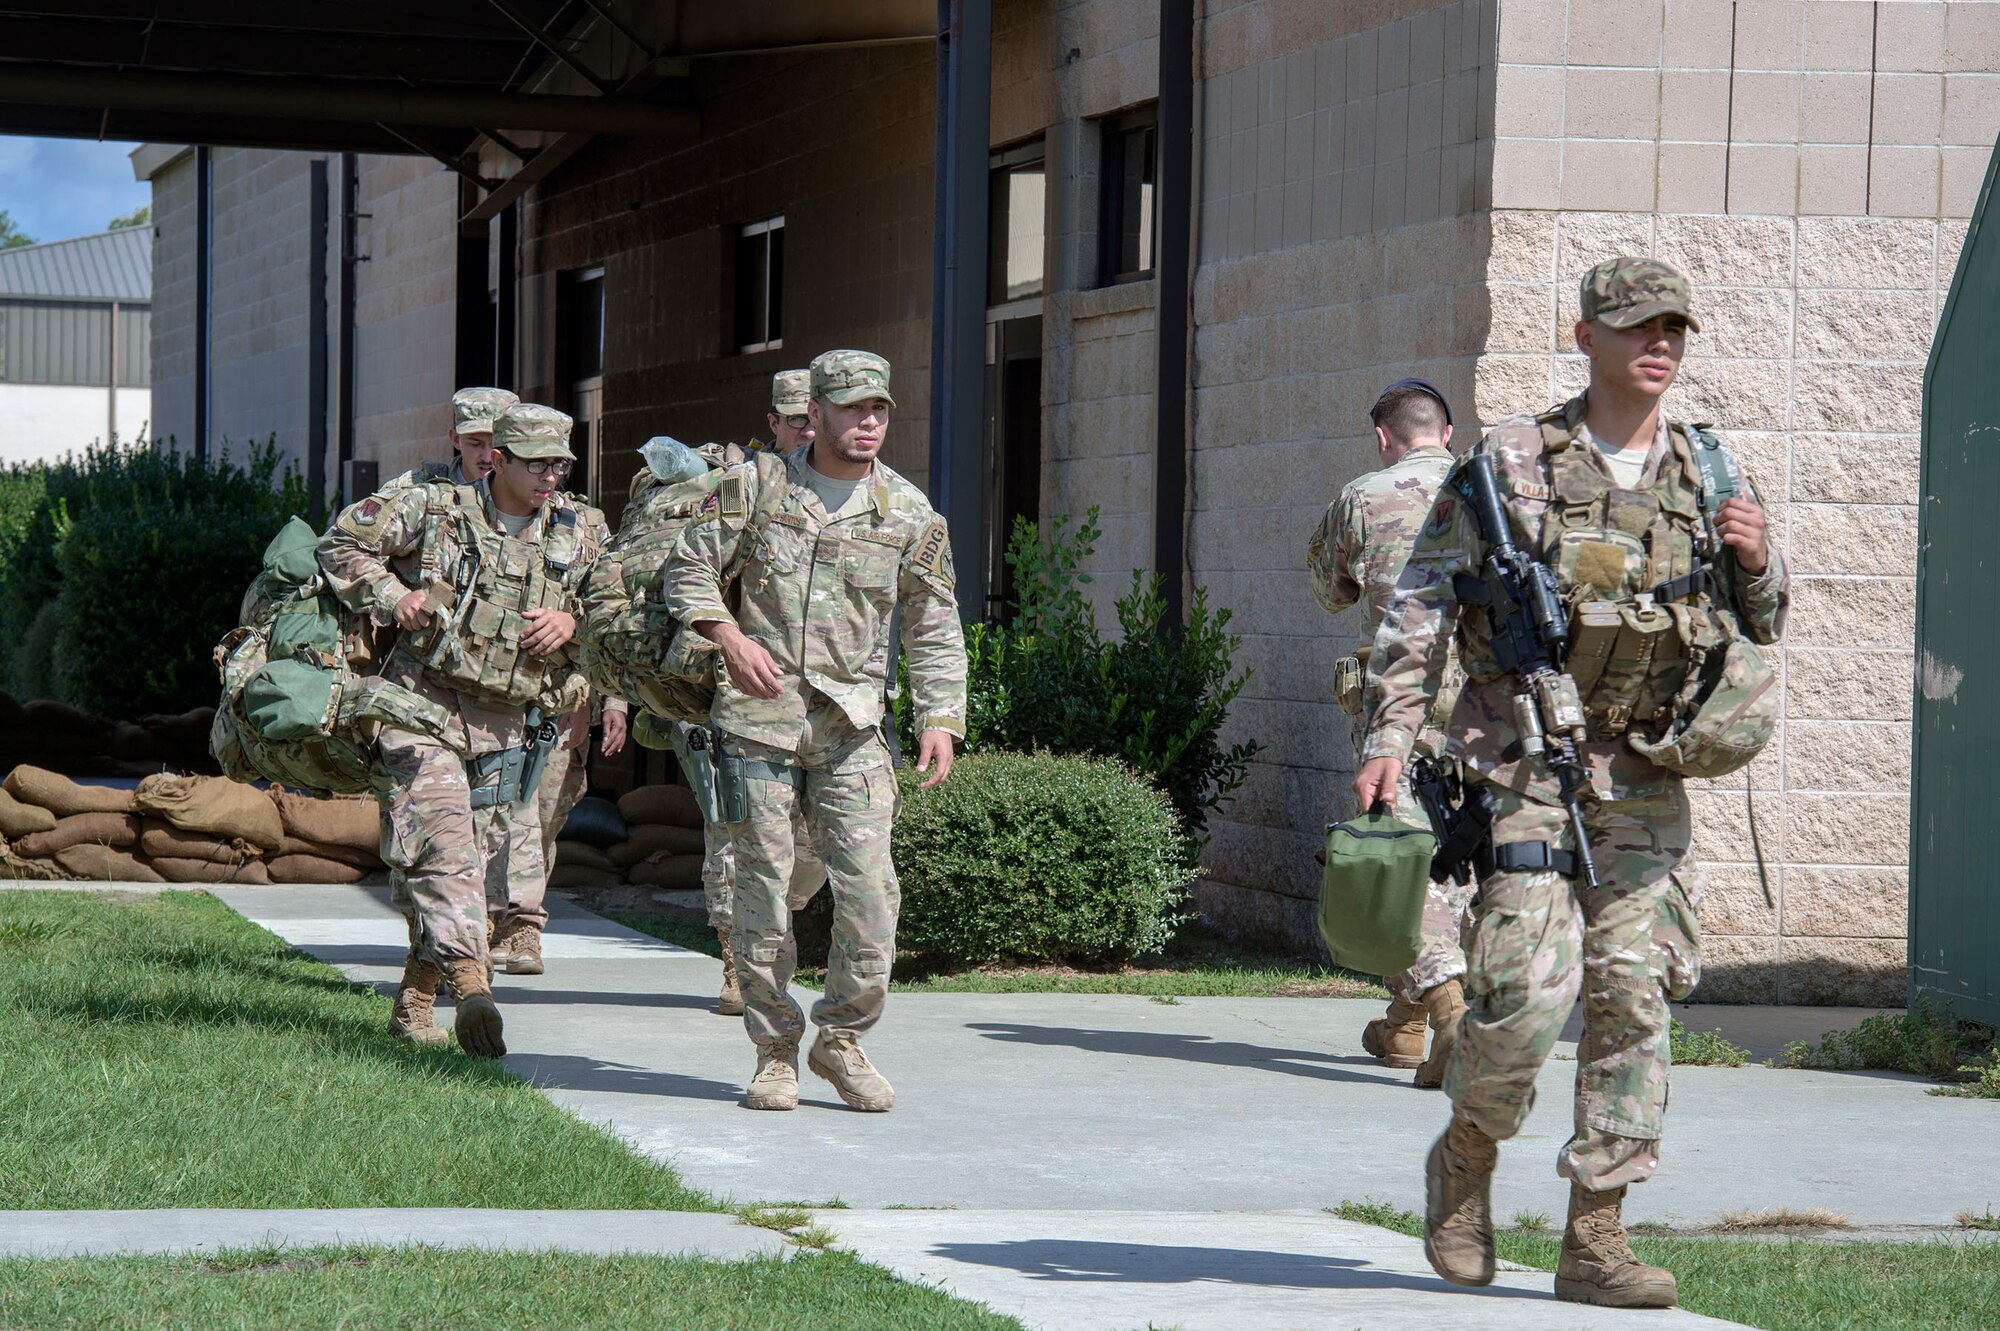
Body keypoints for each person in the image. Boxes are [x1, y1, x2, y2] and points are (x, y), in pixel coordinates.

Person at [1353, 257, 1788, 1309]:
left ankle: (1595, 1230)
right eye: (1637, 326)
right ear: (1583, 333)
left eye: (1673, 329)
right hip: (1524, 765)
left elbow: (1760, 619)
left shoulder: (1710, 468)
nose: (1658, 344)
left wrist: (1757, 558)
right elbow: (1421, 599)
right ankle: (1464, 1159)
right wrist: (1387, 732)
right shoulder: (1508, 461)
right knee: (1523, 997)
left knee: (1633, 999)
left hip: (1644, 771)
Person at [663, 349, 967, 1113]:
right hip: (758, 723)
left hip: (852, 727)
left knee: (871, 893)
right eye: (852, 408)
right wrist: (729, 640)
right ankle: (773, 1052)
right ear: (817, 413)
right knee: (761, 891)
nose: (868, 422)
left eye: (880, 410)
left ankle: (841, 1039)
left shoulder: (908, 513)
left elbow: (934, 625)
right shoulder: (759, 486)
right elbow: (687, 571)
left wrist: (941, 717)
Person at [320, 403, 614, 1057]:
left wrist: (575, 624)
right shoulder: (434, 509)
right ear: (498, 459)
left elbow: (624, 605)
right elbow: (339, 542)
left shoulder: (582, 529)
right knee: (446, 846)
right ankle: (472, 984)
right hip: (419, 709)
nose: (549, 477)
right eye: (535, 463)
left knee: (470, 871)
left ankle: (417, 998)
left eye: (559, 464)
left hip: (506, 725)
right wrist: (393, 595)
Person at [1306, 377, 1468, 1088]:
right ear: (1448, 432)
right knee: (1459, 860)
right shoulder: (1491, 491)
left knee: (1398, 860)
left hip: (1396, 707)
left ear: (1384, 437)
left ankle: (1449, 1010)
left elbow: (1328, 587)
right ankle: (1406, 1024)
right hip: (1488, 709)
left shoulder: (1364, 497)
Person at [384, 386, 518, 489]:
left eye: (497, 445)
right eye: (475, 444)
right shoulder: (416, 488)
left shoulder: (528, 493)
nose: (488, 457)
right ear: (455, 439)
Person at [755, 368, 816, 455]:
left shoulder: (837, 466)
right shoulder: (752, 468)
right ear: (774, 424)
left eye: (817, 417)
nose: (810, 433)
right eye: (797, 419)